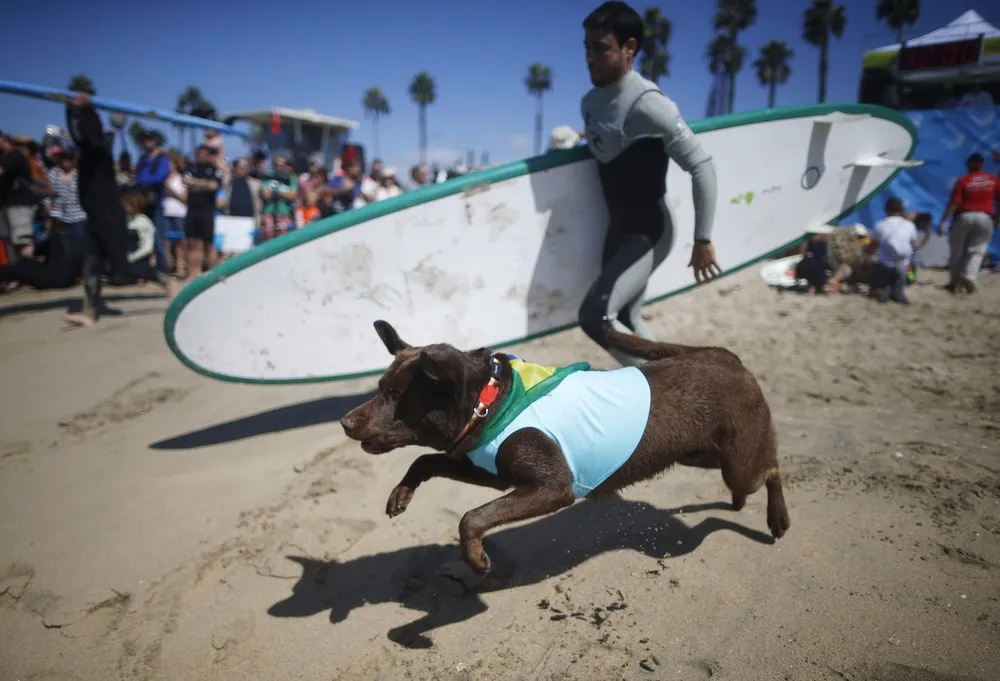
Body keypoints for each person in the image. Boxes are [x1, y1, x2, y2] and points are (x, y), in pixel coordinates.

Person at [577, 1, 719, 366]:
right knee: (627, 319)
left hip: (649, 232)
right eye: (587, 47)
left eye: (601, 48)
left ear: (630, 48)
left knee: (595, 317)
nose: (590, 58)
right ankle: (671, 379)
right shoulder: (589, 103)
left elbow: (702, 166)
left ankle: (664, 387)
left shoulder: (651, 105)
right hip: (616, 230)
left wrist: (703, 239)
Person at [63, 92, 177, 327]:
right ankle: (89, 312)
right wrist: (73, 109)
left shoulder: (99, 152)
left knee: (122, 270)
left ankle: (166, 281)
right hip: (94, 217)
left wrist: (81, 110)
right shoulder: (90, 152)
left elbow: (84, 133)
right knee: (91, 265)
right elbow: (80, 135)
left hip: (110, 218)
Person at [937, 152, 999, 294]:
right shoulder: (993, 180)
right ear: (982, 165)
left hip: (963, 216)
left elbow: (954, 202)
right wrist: (997, 218)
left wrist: (943, 221)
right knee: (976, 250)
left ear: (968, 165)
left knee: (956, 251)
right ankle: (969, 276)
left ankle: (954, 282)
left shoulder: (963, 180)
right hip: (985, 217)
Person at [867, 197, 928, 305]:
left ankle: (884, 291)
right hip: (904, 268)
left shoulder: (880, 225)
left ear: (887, 210)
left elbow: (872, 247)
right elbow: (912, 246)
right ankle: (898, 290)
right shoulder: (910, 225)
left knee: (877, 288)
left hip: (885, 266)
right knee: (900, 285)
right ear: (901, 210)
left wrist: (866, 257)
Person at [181, 144, 224, 283]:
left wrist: (195, 183)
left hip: (207, 211)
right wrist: (204, 184)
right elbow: (185, 181)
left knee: (208, 244)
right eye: (200, 153)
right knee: (193, 243)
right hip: (192, 210)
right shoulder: (191, 168)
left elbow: (214, 186)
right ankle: (193, 274)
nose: (202, 156)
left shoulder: (214, 170)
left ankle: (212, 275)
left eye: (205, 154)